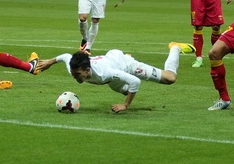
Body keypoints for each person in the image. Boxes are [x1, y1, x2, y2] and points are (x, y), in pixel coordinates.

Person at [37, 42, 195, 112]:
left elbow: (135, 81)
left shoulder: (104, 72)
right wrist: (50, 62)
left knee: (170, 79)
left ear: (86, 69)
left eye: (77, 74)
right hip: (112, 77)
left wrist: (125, 106)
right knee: (127, 90)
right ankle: (122, 57)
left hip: (126, 66)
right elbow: (65, 56)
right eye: (73, 73)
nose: (74, 76)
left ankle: (174, 48)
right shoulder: (74, 67)